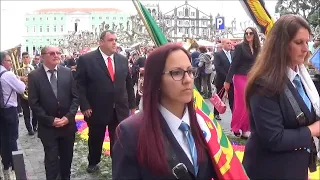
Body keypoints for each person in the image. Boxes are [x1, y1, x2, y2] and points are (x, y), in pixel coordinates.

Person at [112, 43, 217, 180]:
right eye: (177, 73)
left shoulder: (203, 124)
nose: (188, 80)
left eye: (190, 71)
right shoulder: (131, 132)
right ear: (156, 80)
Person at [243, 15, 320, 179]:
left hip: (296, 167)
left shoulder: (303, 79)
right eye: (299, 42)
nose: (306, 49)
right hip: (270, 170)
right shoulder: (263, 83)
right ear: (281, 45)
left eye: (307, 42)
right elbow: (274, 138)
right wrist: (313, 129)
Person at [76, 30, 136, 173]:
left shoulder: (122, 59)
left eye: (115, 39)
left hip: (119, 108)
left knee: (117, 139)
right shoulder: (87, 59)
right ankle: (93, 161)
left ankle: (117, 163)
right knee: (96, 138)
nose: (114, 42)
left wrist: (132, 105)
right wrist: (84, 105)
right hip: (96, 108)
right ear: (101, 42)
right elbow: (79, 85)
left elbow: (128, 83)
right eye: (110, 40)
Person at [28, 46, 79, 180]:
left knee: (66, 160)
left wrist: (68, 117)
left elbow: (75, 97)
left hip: (67, 126)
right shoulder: (34, 76)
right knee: (51, 162)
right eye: (52, 53)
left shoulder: (67, 72)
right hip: (48, 128)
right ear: (43, 56)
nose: (56, 55)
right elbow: (34, 103)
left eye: (58, 53)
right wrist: (50, 120)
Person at [224, 27, 261, 138]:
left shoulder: (257, 48)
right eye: (246, 33)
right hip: (240, 77)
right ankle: (236, 126)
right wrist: (227, 80)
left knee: (250, 103)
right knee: (242, 103)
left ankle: (245, 129)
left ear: (254, 35)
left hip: (252, 78)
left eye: (250, 33)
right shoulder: (240, 47)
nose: (248, 35)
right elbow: (234, 64)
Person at [0, 51, 26, 179]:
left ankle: (6, 164)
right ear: (3, 62)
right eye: (9, 60)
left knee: (3, 138)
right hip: (9, 111)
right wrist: (19, 79)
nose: (11, 62)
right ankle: (15, 166)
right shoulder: (8, 74)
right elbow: (21, 89)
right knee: (12, 138)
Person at [213, 39, 234, 121]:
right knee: (219, 96)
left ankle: (234, 113)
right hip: (221, 79)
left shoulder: (233, 53)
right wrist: (227, 77)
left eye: (230, 43)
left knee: (232, 98)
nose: (229, 44)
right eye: (227, 43)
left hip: (232, 81)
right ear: (223, 45)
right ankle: (216, 113)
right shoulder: (218, 54)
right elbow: (218, 67)